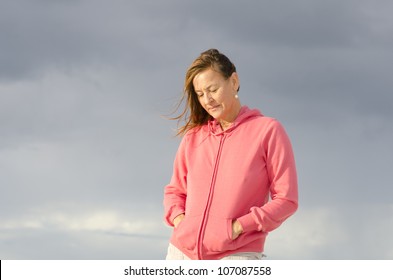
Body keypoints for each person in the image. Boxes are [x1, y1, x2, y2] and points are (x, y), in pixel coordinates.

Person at [163, 49, 298, 260]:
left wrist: (239, 227)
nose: (207, 100)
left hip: (237, 256)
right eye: (200, 94)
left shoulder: (267, 131)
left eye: (213, 89)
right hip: (181, 255)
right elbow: (175, 191)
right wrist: (182, 223)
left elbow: (287, 199)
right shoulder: (194, 136)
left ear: (233, 81)